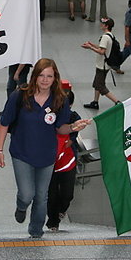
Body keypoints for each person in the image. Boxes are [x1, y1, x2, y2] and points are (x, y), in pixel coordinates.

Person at [0, 58, 92, 238]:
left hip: (47, 156)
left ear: (55, 78)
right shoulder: (20, 95)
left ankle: (36, 231)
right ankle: (21, 205)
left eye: (49, 76)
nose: (45, 80)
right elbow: (4, 123)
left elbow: (60, 128)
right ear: (35, 76)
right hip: (21, 153)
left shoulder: (60, 100)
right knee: (27, 194)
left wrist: (73, 127)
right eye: (41, 75)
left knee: (41, 196)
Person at [46, 87, 81, 232]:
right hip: (50, 161)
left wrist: (71, 141)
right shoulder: (49, 116)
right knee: (51, 193)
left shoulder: (74, 117)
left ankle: (62, 209)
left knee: (68, 193)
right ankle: (53, 221)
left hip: (68, 161)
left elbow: (75, 131)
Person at [81, 18, 120, 109]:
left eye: (103, 24)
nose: (101, 25)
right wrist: (92, 45)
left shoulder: (105, 37)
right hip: (105, 65)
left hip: (102, 65)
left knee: (100, 86)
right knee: (97, 83)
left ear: (106, 26)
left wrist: (90, 47)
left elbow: (102, 51)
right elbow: (102, 48)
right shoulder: (110, 36)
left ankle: (117, 102)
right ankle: (95, 102)